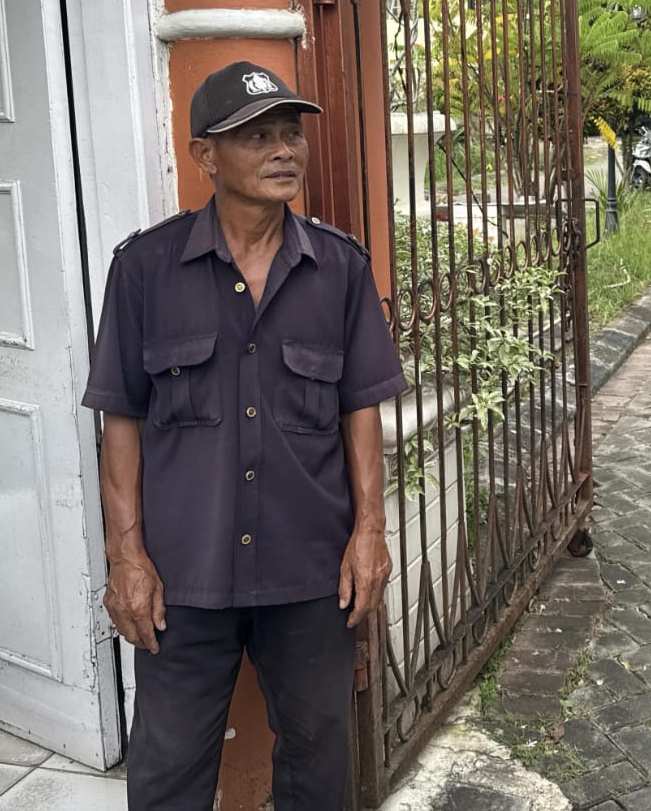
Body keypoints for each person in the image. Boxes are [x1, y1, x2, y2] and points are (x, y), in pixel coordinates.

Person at [82, 61, 408, 809]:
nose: (284, 150)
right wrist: (126, 556)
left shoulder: (340, 268)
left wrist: (369, 532)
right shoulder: (145, 270)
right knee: (166, 774)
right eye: (257, 137)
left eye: (291, 133)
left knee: (320, 770)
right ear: (205, 155)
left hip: (312, 573)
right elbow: (120, 418)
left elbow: (361, 409)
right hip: (184, 577)